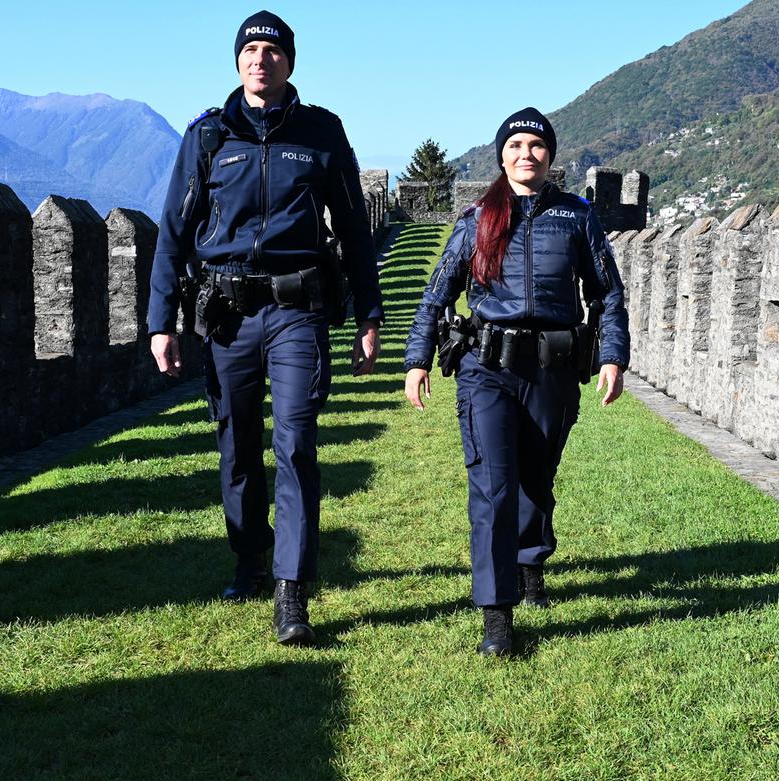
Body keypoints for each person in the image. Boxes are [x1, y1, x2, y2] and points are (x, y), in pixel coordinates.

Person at [147, 10, 383, 646]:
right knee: (237, 446)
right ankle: (251, 559)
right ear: (236, 62)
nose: (261, 60)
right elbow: (173, 231)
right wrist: (159, 321)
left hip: (298, 310)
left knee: (296, 444)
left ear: (290, 63)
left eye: (272, 51)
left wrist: (369, 311)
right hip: (227, 314)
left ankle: (291, 590)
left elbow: (355, 230)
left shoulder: (322, 132)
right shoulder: (205, 137)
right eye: (250, 49)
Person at [402, 108, 629, 656]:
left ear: (551, 156)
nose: (526, 154)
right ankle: (497, 615)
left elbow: (607, 293)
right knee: (493, 488)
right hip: (487, 369)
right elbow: (438, 293)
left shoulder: (576, 217)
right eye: (515, 146)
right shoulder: (476, 218)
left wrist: (612, 356)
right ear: (500, 155)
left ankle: (530, 564)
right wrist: (417, 359)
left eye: (536, 146)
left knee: (536, 478)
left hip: (551, 369)